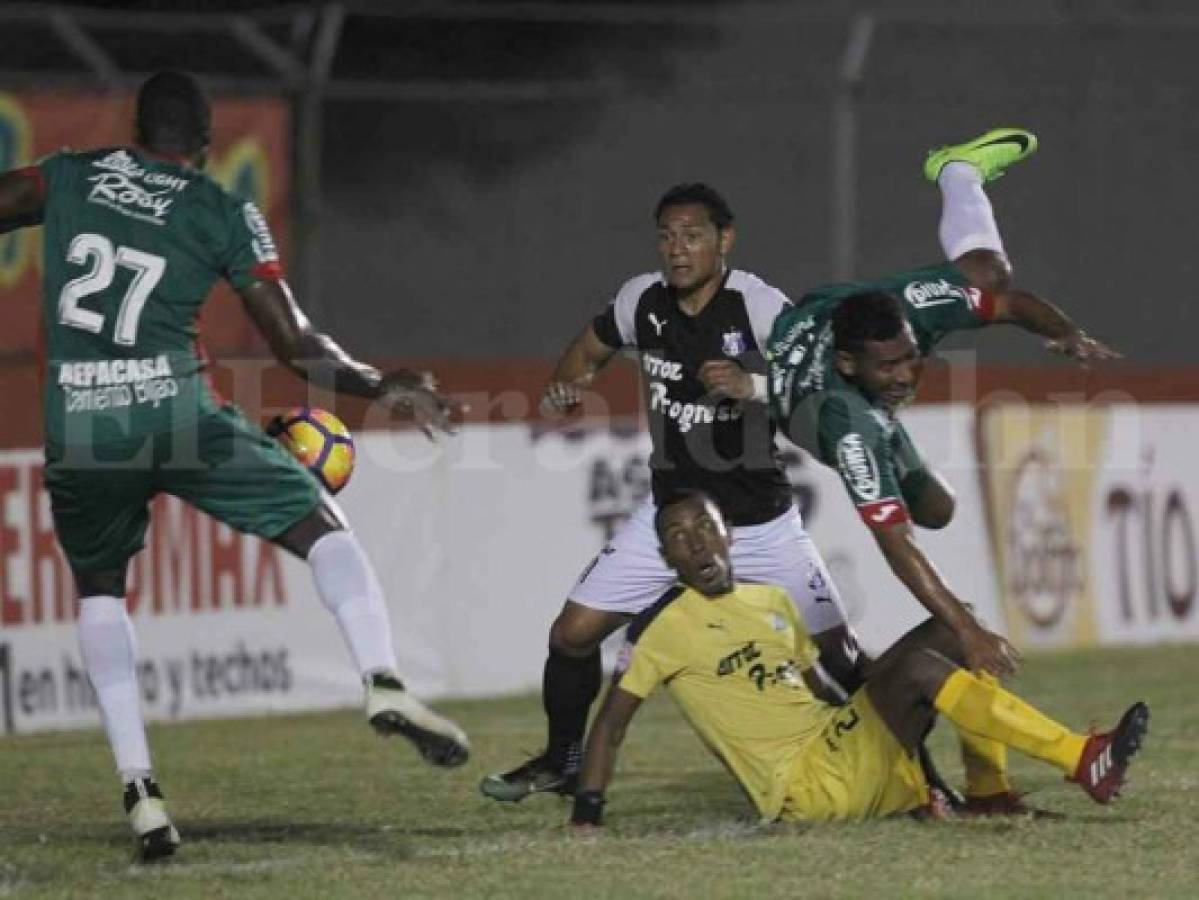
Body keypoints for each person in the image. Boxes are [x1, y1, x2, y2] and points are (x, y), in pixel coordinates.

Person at [0, 71, 469, 861]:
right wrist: (379, 383)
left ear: (135, 126)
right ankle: (382, 678)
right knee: (322, 526)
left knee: (100, 591)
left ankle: (140, 789)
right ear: (209, 144)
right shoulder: (221, 209)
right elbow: (295, 345)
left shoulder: (70, 174)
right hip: (177, 412)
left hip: (79, 423)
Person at [760, 128, 1119, 812]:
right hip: (801, 396)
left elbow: (1010, 306)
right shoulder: (848, 420)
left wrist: (1061, 332)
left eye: (908, 360)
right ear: (851, 366)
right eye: (888, 368)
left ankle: (954, 169)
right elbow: (895, 546)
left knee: (989, 281)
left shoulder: (907, 317)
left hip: (841, 315)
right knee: (922, 511)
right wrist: (965, 628)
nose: (904, 375)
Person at [481, 183, 863, 802]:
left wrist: (753, 386)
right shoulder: (641, 300)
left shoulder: (760, 307)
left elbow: (823, 386)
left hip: (759, 522)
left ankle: (907, 772)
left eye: (692, 236)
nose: (677, 250)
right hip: (671, 524)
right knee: (573, 634)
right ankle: (564, 759)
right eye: (666, 236)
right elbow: (586, 349)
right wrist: (566, 384)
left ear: (724, 241)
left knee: (841, 657)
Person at [569, 491, 1149, 827]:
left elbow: (829, 691)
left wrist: (907, 666)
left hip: (837, 750)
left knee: (955, 628)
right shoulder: (660, 632)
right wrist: (587, 815)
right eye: (678, 535)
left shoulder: (770, 600)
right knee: (925, 666)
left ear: (731, 537)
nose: (695, 541)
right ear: (667, 557)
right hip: (803, 789)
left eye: (705, 527)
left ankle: (988, 791)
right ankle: (1081, 760)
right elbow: (610, 729)